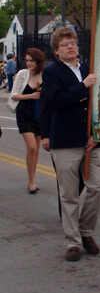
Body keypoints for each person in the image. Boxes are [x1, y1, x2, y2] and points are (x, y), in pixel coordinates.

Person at [40, 27, 100, 262]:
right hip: (66, 140)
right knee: (68, 194)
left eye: (73, 42)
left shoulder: (89, 70)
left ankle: (86, 230)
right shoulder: (51, 73)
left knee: (99, 186)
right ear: (57, 51)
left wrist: (97, 133)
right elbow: (57, 101)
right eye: (65, 44)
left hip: (92, 141)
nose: (71, 46)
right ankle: (73, 242)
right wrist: (83, 86)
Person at [10, 48, 45, 193]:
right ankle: (30, 182)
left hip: (39, 114)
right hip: (24, 113)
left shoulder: (45, 75)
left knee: (36, 149)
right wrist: (30, 96)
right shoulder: (22, 74)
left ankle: (32, 179)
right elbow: (14, 94)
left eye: (32, 61)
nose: (29, 63)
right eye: (27, 60)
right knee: (31, 147)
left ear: (39, 61)